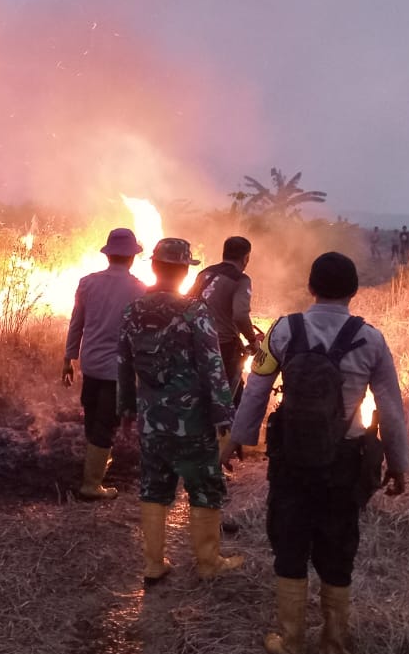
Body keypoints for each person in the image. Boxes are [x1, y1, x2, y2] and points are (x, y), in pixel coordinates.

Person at [231, 252, 409, 654]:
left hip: (292, 458)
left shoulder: (283, 330)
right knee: (338, 545)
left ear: (310, 287)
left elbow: (255, 390)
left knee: (290, 541)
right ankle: (334, 648)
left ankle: (291, 641)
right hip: (346, 461)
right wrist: (398, 463)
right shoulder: (370, 339)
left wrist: (238, 440)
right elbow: (391, 408)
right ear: (354, 291)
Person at [118, 237, 243, 584]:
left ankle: (153, 564)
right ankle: (208, 562)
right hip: (192, 421)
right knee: (204, 487)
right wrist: (224, 415)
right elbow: (213, 366)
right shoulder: (194, 311)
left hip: (151, 419)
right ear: (185, 271)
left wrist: (126, 409)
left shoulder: (132, 311)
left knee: (154, 487)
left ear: (154, 266)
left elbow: (123, 364)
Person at [63, 227, 147, 499]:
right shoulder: (140, 290)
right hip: (118, 371)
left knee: (93, 417)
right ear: (132, 257)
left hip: (90, 365)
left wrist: (68, 358)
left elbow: (76, 324)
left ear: (108, 255)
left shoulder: (87, 283)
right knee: (106, 424)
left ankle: (93, 474)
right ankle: (91, 485)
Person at [188, 236, 263, 463]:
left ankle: (214, 450)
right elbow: (240, 314)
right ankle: (217, 459)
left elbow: (187, 302)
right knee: (226, 401)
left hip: (195, 342)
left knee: (199, 397)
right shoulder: (241, 279)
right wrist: (252, 340)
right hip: (223, 346)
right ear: (246, 257)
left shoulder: (204, 274)